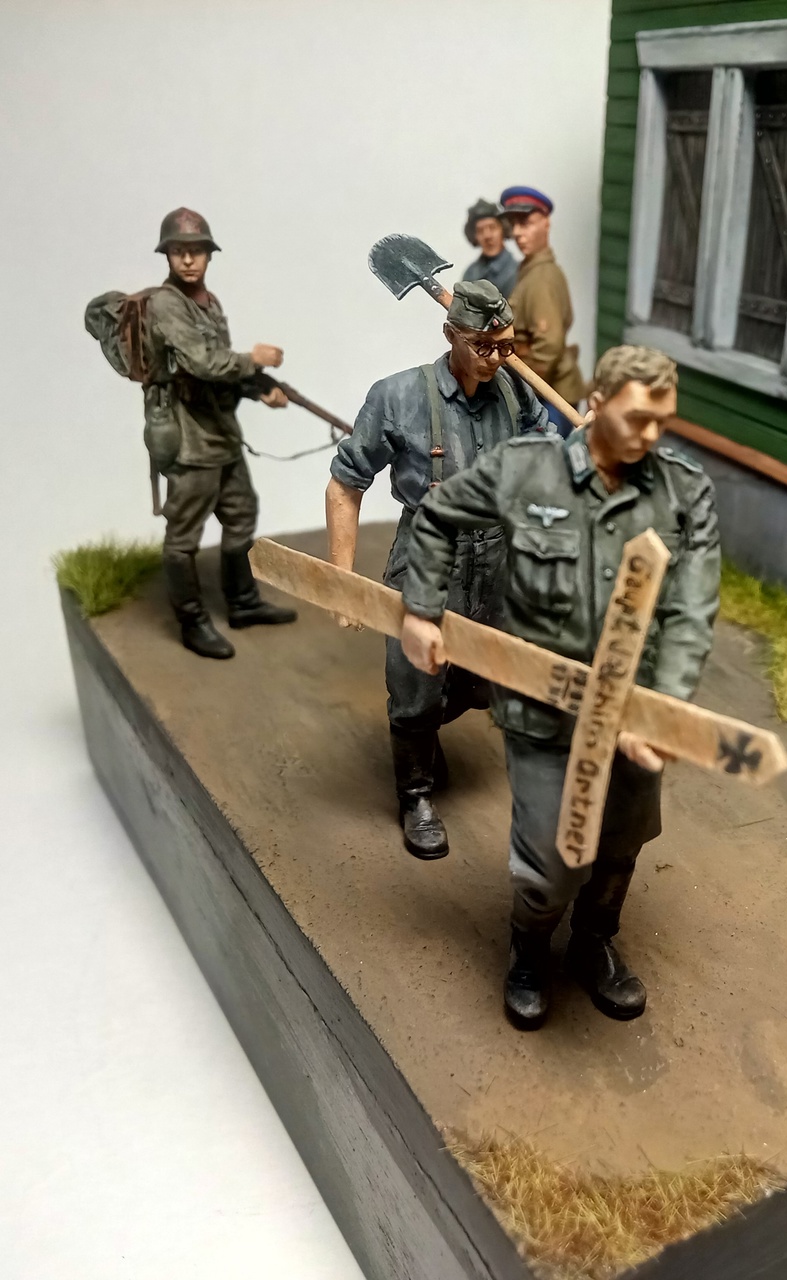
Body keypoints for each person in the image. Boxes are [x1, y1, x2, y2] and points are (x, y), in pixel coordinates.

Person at [397, 345, 720, 1030]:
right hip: (542, 711)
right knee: (549, 860)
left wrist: (663, 709)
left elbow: (691, 611)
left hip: (632, 709)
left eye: (662, 422)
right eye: (636, 419)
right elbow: (437, 515)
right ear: (596, 405)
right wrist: (421, 611)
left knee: (622, 842)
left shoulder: (681, 490)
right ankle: (529, 948)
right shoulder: (527, 470)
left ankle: (594, 941)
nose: (651, 437)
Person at [326, 280, 549, 861]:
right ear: (450, 334)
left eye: (507, 345)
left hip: (497, 559)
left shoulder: (516, 392)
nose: (498, 358)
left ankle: (429, 733)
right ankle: (416, 795)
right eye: (484, 346)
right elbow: (345, 485)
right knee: (416, 688)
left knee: (486, 680)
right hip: (428, 558)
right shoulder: (397, 397)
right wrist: (342, 582)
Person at [148, 207, 297, 660]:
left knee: (241, 514)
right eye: (178, 251)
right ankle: (192, 620)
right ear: (167, 255)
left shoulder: (207, 303)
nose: (188, 259)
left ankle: (243, 602)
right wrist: (254, 360)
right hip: (189, 440)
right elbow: (201, 363)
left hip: (221, 432)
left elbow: (218, 372)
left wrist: (257, 389)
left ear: (209, 255)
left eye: (196, 251)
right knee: (183, 536)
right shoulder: (165, 304)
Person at [500, 185, 586, 436]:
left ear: (546, 224)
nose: (517, 233)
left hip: (549, 398)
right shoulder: (530, 272)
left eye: (525, 223)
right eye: (514, 224)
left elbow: (548, 347)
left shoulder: (541, 278)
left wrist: (519, 393)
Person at [460, 199, 518, 299]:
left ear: (503, 229)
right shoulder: (470, 273)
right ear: (475, 236)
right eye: (480, 230)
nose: (487, 236)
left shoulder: (516, 272)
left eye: (492, 227)